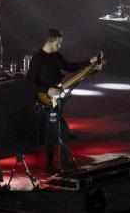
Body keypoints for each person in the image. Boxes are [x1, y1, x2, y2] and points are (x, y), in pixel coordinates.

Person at [25, 28, 100, 173]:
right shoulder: (38, 58)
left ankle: (61, 163)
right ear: (50, 42)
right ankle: (52, 164)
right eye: (58, 43)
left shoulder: (56, 56)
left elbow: (70, 67)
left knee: (59, 129)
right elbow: (29, 82)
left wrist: (88, 62)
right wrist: (47, 89)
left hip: (56, 98)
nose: (60, 45)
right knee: (57, 129)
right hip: (45, 100)